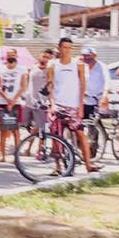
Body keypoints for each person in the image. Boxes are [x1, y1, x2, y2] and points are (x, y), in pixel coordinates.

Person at [45, 38, 100, 173]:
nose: (66, 50)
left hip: (73, 106)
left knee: (80, 133)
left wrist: (81, 105)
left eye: (69, 47)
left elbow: (82, 85)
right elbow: (50, 86)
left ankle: (88, 164)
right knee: (56, 136)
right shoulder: (52, 64)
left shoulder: (78, 64)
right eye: (64, 47)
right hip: (58, 104)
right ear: (59, 48)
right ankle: (58, 166)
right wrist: (52, 104)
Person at [0, 49, 28, 163]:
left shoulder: (22, 70)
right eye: (9, 55)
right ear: (6, 56)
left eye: (13, 55)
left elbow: (23, 86)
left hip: (15, 103)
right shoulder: (0, 69)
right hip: (2, 102)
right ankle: (2, 155)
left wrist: (13, 100)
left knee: (15, 130)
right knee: (3, 130)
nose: (11, 56)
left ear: (16, 56)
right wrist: (7, 99)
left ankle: (16, 157)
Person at [81, 46, 109, 120]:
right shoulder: (81, 66)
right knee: (85, 122)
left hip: (99, 99)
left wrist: (105, 95)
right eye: (84, 55)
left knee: (99, 123)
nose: (86, 57)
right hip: (85, 100)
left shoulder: (102, 66)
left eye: (88, 55)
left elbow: (107, 81)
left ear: (95, 55)